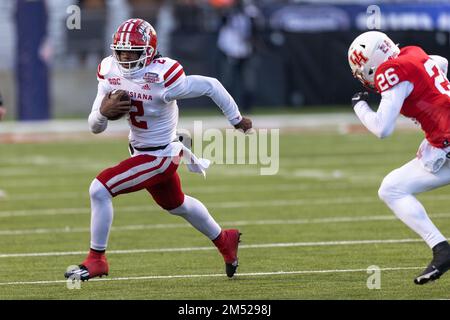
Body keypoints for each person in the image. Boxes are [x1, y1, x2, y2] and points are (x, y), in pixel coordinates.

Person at [64, 18, 252, 281]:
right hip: (140, 152)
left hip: (161, 155)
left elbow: (211, 85)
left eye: (133, 52)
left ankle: (97, 260)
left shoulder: (163, 75)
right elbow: (94, 127)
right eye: (121, 51)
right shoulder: (109, 70)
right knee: (177, 205)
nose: (125, 57)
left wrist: (236, 119)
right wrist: (103, 114)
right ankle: (225, 240)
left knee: (99, 188)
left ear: (149, 52)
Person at [348, 31, 450, 285]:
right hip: (444, 141)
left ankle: (442, 250)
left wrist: (359, 106)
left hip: (446, 142)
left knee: (392, 189)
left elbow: (382, 128)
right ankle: (442, 251)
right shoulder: (414, 52)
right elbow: (441, 63)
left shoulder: (391, 71)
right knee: (393, 187)